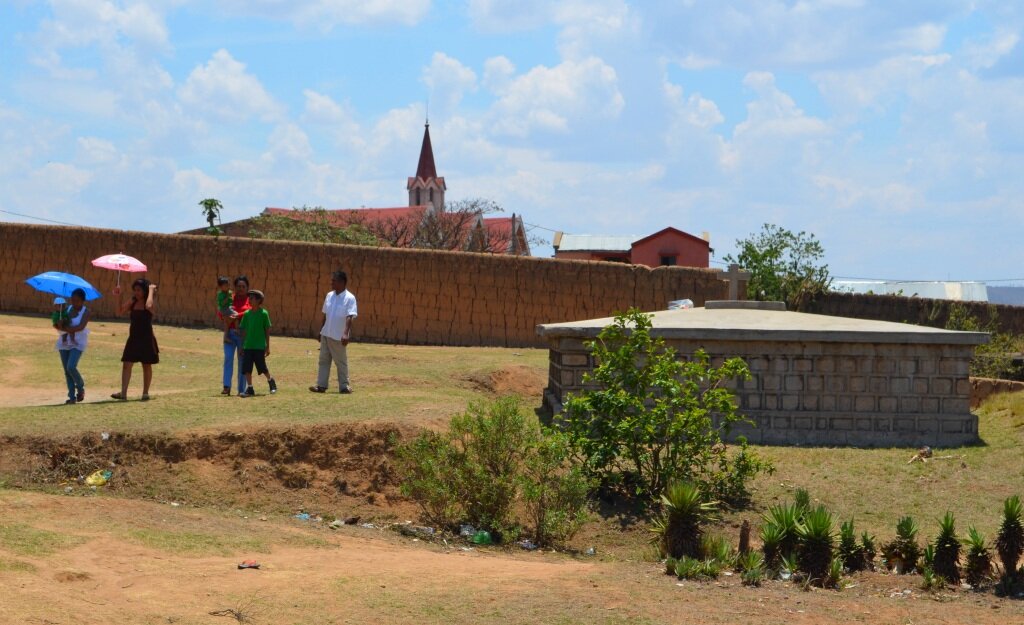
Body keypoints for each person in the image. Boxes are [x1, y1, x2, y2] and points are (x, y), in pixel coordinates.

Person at [309, 270, 357, 394]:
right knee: (323, 360)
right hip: (326, 333)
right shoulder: (329, 295)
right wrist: (321, 330)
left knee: (340, 362)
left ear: (341, 282)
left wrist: (345, 333)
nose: (331, 283)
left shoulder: (349, 298)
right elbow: (325, 314)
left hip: (338, 336)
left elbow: (350, 316)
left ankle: (344, 386)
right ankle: (321, 385)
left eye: (334, 281)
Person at [111, 278, 159, 401]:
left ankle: (145, 393)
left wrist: (151, 290)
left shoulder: (150, 301)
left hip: (147, 338)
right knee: (127, 364)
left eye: (139, 290)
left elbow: (149, 306)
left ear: (145, 291)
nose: (136, 293)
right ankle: (123, 393)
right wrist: (118, 296)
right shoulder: (132, 302)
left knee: (146, 365)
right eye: (135, 290)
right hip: (133, 338)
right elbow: (119, 312)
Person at [237, 289, 276, 397]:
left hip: (259, 346)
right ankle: (250, 389)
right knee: (247, 368)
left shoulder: (264, 314)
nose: (250, 300)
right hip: (248, 346)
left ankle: (271, 382)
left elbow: (267, 331)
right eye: (249, 298)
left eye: (252, 298)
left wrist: (267, 347)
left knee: (262, 367)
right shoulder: (247, 314)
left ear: (259, 300)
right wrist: (241, 346)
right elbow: (243, 331)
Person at [55, 288, 90, 405]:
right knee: (66, 371)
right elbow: (59, 324)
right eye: (72, 300)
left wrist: (66, 329)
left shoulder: (86, 312)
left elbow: (80, 327)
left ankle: (80, 387)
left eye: (77, 301)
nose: (74, 303)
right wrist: (59, 323)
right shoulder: (67, 309)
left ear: (83, 301)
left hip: (78, 343)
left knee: (71, 366)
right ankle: (71, 397)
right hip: (64, 342)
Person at [221, 275, 251, 395]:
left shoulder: (250, 300)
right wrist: (226, 317)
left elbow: (249, 312)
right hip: (230, 333)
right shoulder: (229, 298)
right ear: (234, 287)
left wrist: (237, 315)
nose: (240, 289)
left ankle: (241, 389)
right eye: (238, 286)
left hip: (243, 335)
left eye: (243, 286)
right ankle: (226, 387)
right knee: (228, 358)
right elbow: (221, 311)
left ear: (247, 288)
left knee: (242, 361)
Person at [215, 276, 236, 343]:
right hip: (223, 309)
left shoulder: (229, 292)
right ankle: (236, 330)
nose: (228, 286)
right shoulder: (220, 294)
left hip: (227, 308)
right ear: (221, 287)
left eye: (228, 285)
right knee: (236, 315)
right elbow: (222, 304)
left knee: (227, 322)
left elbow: (230, 301)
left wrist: (230, 306)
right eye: (226, 285)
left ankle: (226, 337)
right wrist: (227, 296)